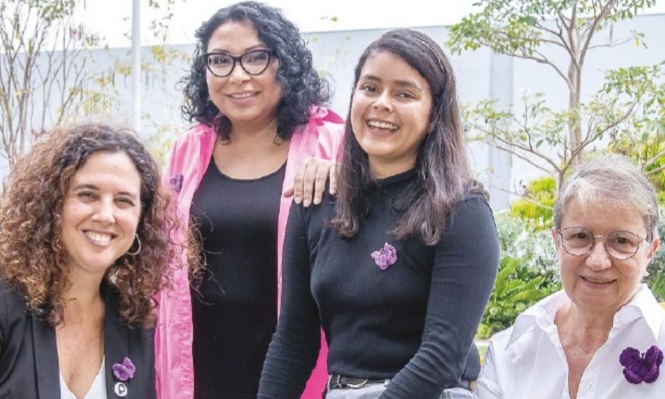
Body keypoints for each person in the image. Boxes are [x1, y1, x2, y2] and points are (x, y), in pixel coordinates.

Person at [258, 28, 499, 399]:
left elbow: (442, 355)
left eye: (404, 94)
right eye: (370, 88)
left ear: (434, 114)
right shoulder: (315, 202)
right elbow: (293, 339)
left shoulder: (461, 211)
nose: (382, 103)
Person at [154, 2, 345, 398]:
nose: (238, 75)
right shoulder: (187, 152)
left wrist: (344, 180)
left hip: (298, 370)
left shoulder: (331, 143)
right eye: (220, 60)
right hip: (200, 371)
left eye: (256, 58)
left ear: (285, 62)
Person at [0, 123, 183, 398]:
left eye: (123, 201)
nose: (106, 215)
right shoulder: (6, 305)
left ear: (142, 220)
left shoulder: (137, 323)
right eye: (87, 195)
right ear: (53, 203)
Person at [476, 154, 665, 399]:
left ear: (650, 251)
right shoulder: (509, 353)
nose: (598, 261)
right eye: (580, 237)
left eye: (621, 241)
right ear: (557, 241)